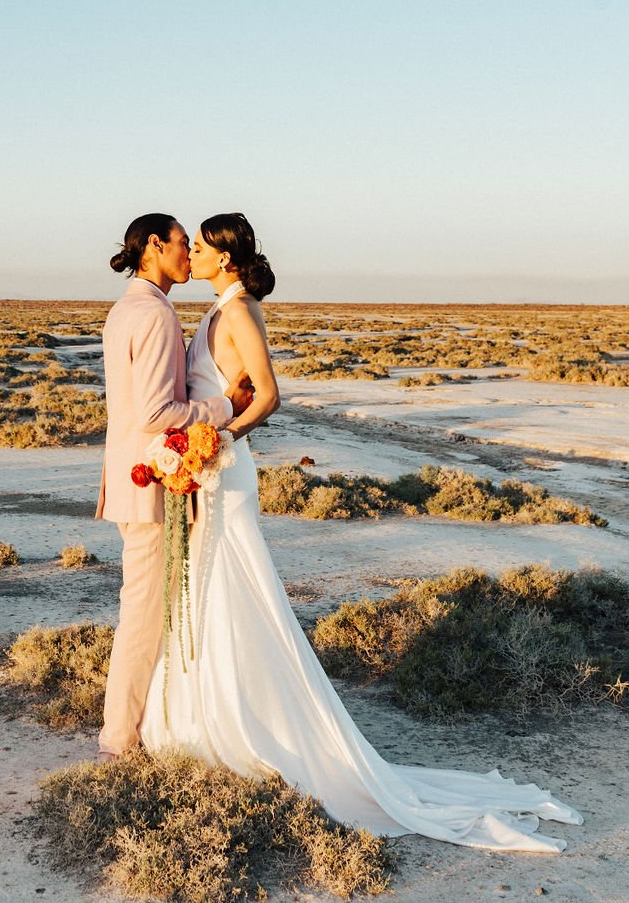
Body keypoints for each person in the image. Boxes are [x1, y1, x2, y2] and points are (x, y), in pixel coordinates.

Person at [139, 212, 583, 854]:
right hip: (202, 469)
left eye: (203, 248)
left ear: (226, 259)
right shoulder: (215, 312)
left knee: (234, 591)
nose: (196, 256)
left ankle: (244, 728)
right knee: (203, 591)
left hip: (224, 470)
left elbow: (268, 394)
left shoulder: (239, 313)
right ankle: (205, 718)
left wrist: (219, 437)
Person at [96, 212, 254, 759]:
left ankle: (149, 723)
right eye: (184, 244)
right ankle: (119, 737)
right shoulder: (156, 315)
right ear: (156, 246)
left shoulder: (125, 308)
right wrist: (225, 406)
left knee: (144, 605)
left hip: (127, 478)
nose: (190, 254)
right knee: (142, 612)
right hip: (150, 483)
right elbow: (158, 412)